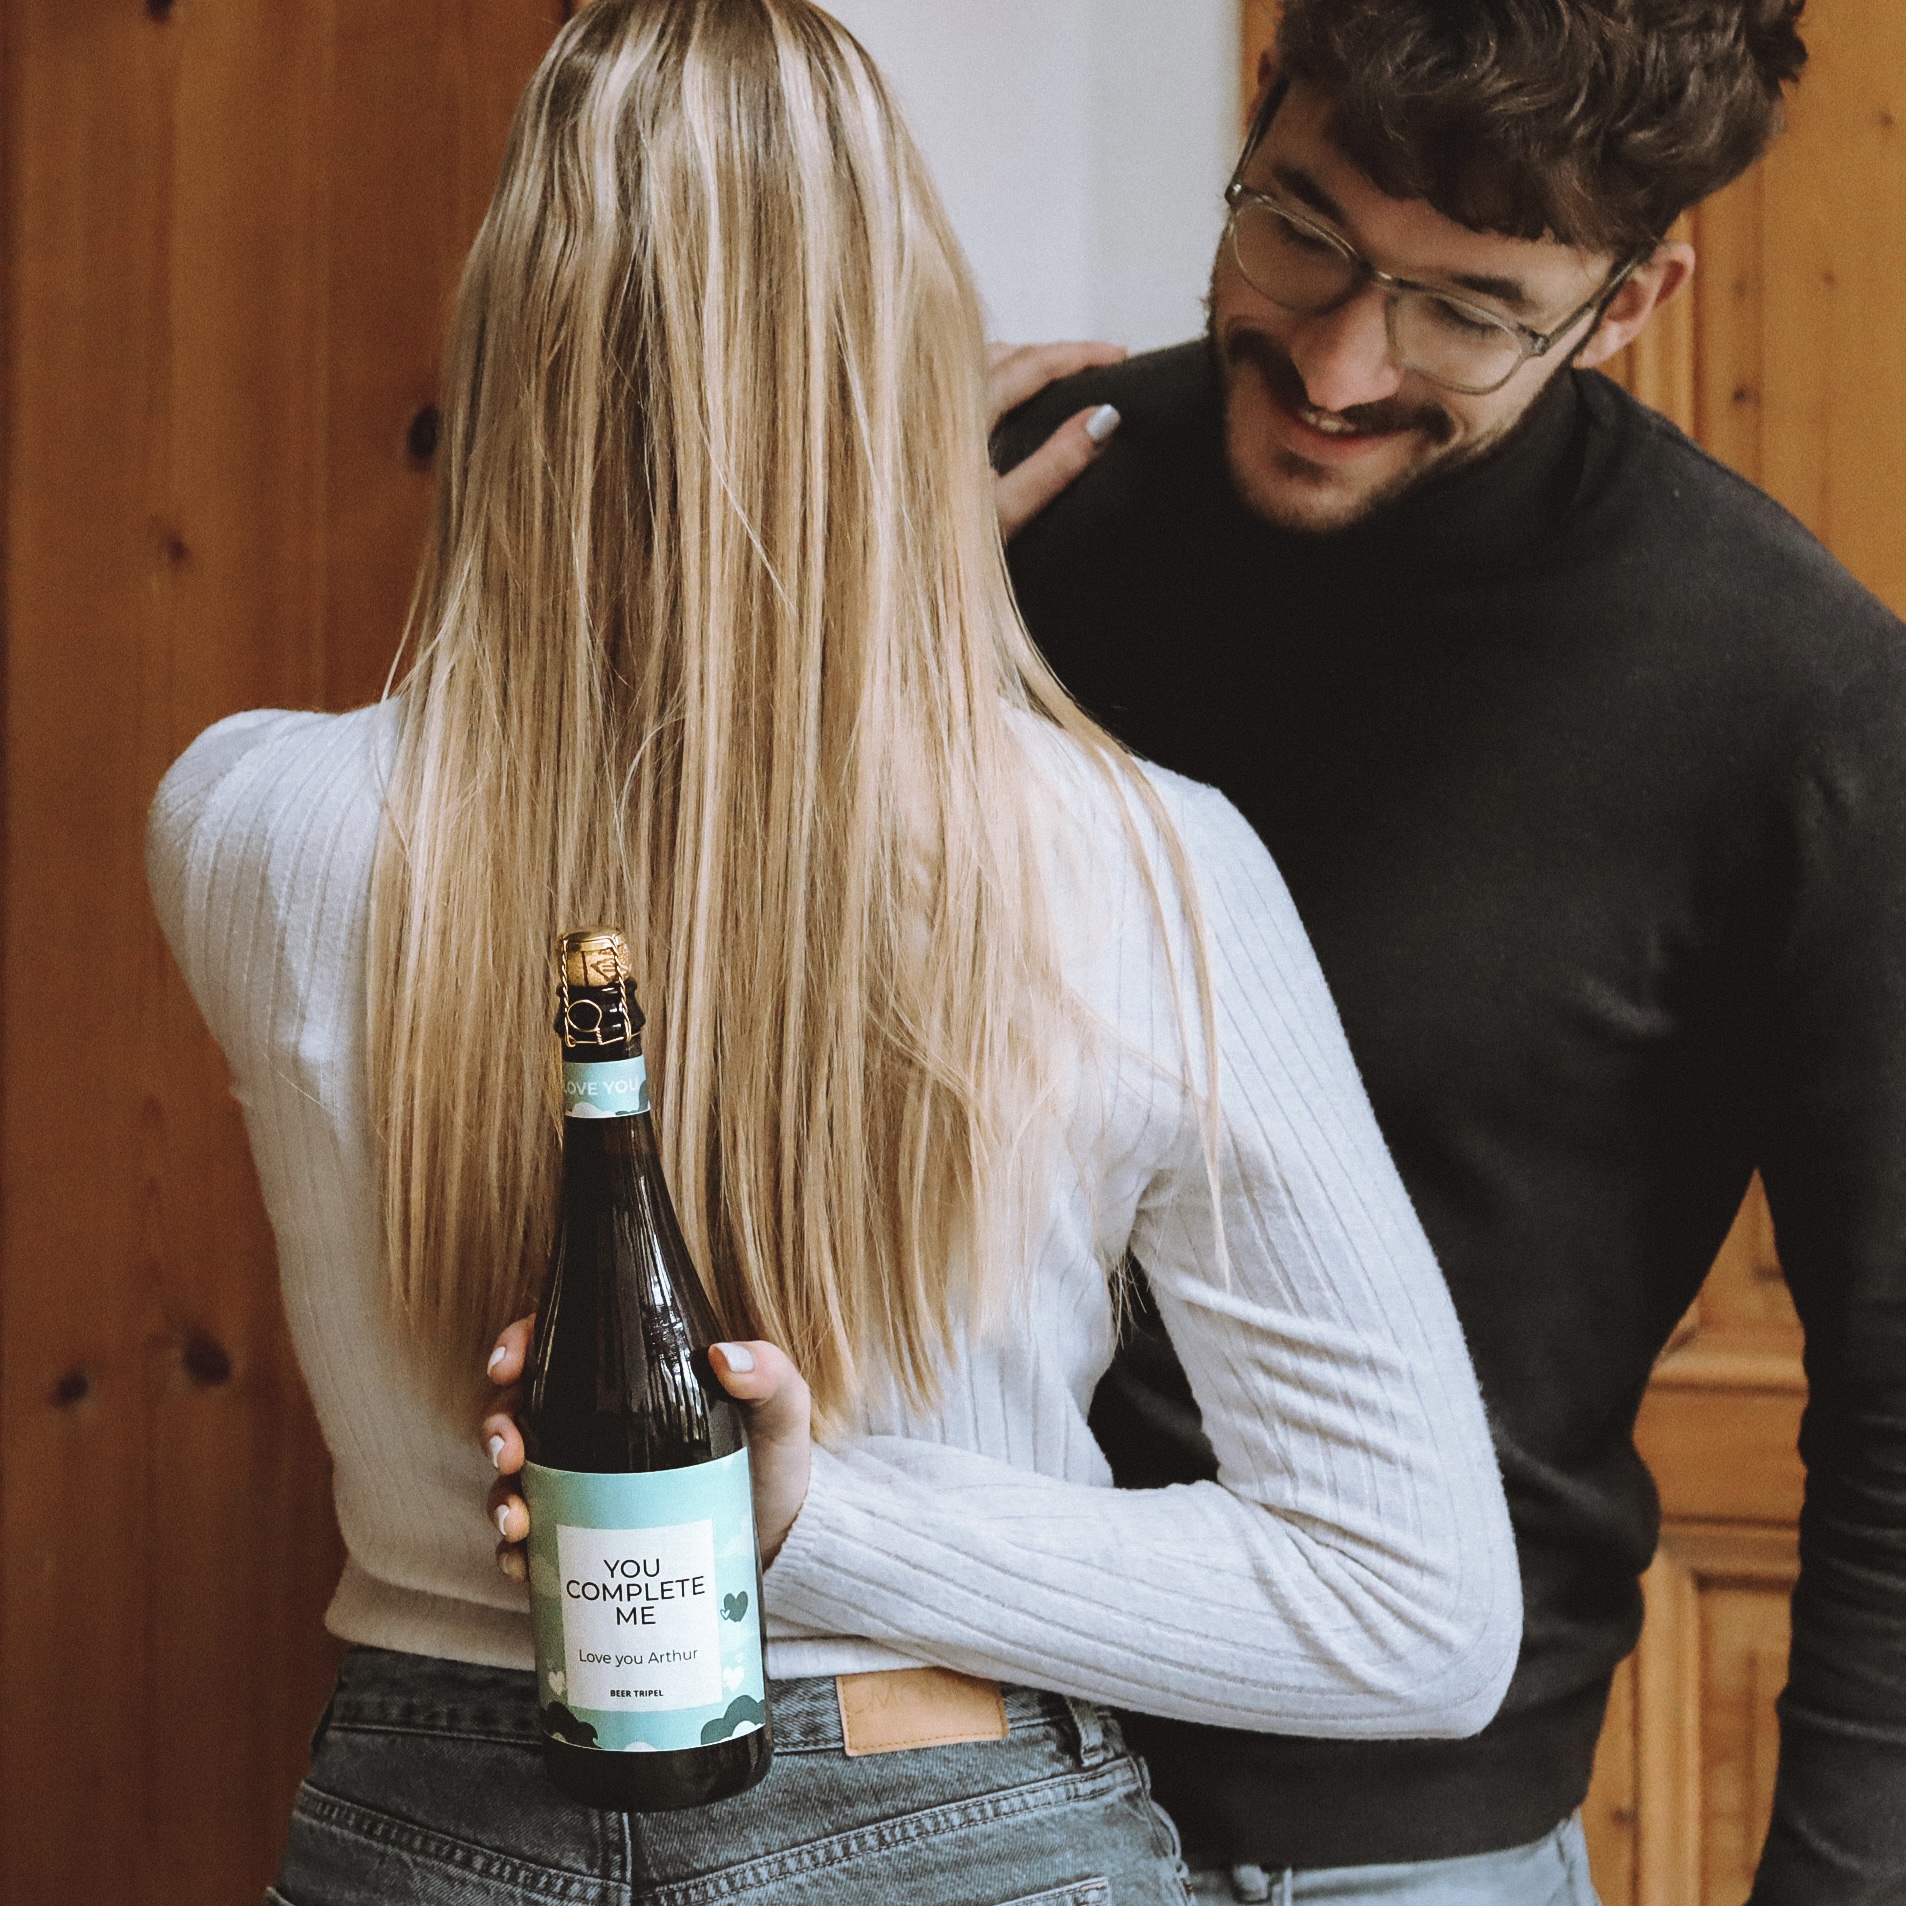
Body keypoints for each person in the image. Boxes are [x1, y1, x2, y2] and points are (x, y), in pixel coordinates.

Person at [146, 4, 1522, 1902]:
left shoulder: (242, 825)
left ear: (509, 344)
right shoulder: (1143, 867)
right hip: (947, 1807)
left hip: (428, 1821)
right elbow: (1412, 1615)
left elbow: (596, 784)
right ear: (903, 365)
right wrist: (820, 1520)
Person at [992, 1, 1906, 1902]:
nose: (1338, 362)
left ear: (1629, 303)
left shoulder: (1795, 703)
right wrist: (799, 599)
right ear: (1259, 120)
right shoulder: (992, 514)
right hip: (894, 1783)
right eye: (1299, 233)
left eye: (1468, 313)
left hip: (1384, 1854)